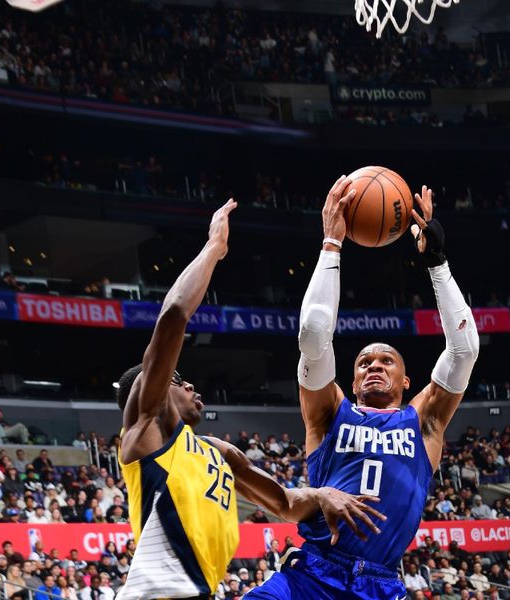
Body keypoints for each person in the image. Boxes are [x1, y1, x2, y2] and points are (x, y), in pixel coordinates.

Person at [114, 200, 384, 600]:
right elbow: (173, 315)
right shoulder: (145, 433)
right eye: (178, 381)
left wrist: (322, 494)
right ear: (149, 393)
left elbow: (285, 503)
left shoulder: (218, 453)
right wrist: (214, 249)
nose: (190, 387)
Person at [246, 179, 479, 599]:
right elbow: (314, 335)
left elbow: (464, 351)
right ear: (350, 381)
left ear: (407, 381)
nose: (374, 365)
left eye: (386, 361)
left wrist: (438, 263)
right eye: (364, 363)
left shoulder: (424, 421)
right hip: (313, 574)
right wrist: (331, 244)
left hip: (381, 582)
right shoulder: (329, 412)